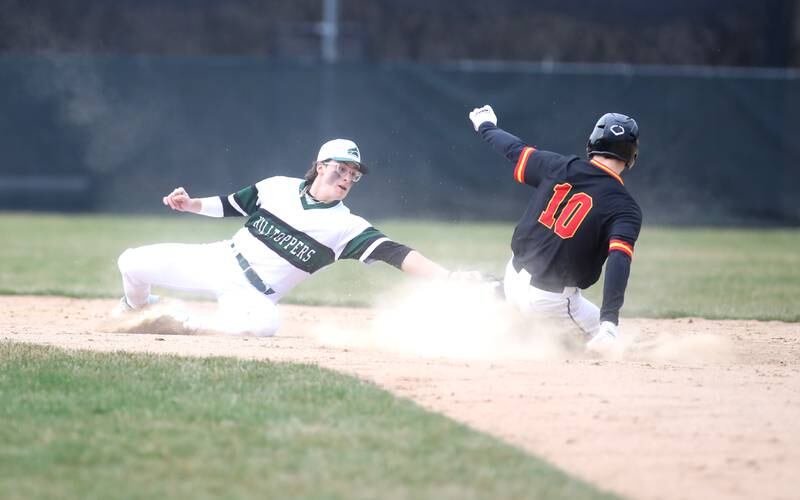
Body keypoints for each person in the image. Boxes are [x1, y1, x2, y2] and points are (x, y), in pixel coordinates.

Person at [115, 138, 455, 336]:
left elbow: (395, 252)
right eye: (342, 169)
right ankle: (137, 308)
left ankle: (175, 323)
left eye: (354, 175)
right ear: (321, 166)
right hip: (218, 259)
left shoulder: (346, 226)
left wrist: (449, 278)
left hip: (253, 294)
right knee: (131, 262)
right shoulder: (278, 186)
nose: (348, 178)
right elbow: (233, 204)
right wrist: (191, 204)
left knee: (262, 325)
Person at [468, 105, 642, 351]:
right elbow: (619, 260)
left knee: (532, 306)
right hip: (550, 301)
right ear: (631, 155)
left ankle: (500, 295)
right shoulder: (625, 208)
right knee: (614, 348)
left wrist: (486, 125)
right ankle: (533, 333)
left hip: (513, 276)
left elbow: (514, 149)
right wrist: (609, 321)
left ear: (593, 142)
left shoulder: (558, 166)